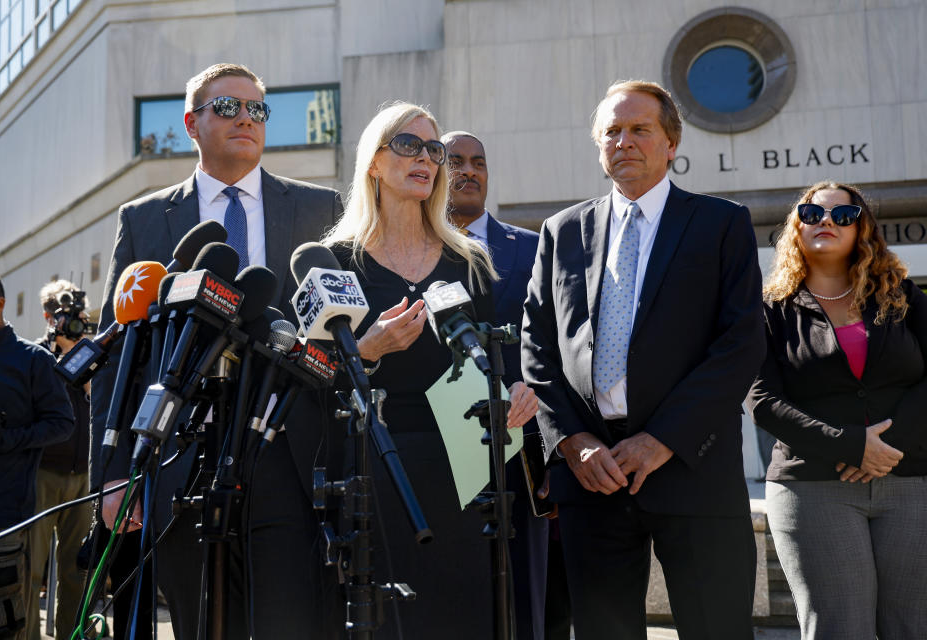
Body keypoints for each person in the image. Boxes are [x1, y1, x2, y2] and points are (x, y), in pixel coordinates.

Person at [91, 63, 343, 639]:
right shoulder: (145, 220)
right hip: (180, 461)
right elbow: (117, 358)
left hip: (287, 455)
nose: (247, 119)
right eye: (228, 107)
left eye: (258, 108)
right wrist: (110, 477)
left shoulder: (319, 211)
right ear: (191, 123)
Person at [520, 80, 765, 640]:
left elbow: (741, 343)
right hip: (592, 473)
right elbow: (535, 344)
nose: (623, 141)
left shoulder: (720, 225)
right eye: (611, 131)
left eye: (639, 129)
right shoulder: (562, 232)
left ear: (671, 143)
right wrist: (570, 441)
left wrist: (661, 440)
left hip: (691, 468)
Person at [323, 102, 538, 639]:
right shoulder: (334, 261)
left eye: (433, 149)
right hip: (373, 467)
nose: (426, 158)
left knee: (462, 614)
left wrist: (516, 391)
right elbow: (307, 375)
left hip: (464, 469)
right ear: (373, 161)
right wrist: (367, 350)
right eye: (408, 145)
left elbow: (499, 366)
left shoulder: (468, 260)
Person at [746, 181, 927, 640]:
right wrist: (850, 445)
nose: (825, 221)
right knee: (839, 631)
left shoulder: (902, 297)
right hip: (813, 489)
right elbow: (762, 402)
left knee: (913, 627)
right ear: (796, 228)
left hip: (911, 482)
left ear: (861, 229)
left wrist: (887, 445)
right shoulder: (769, 312)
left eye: (842, 215)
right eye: (812, 214)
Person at [441, 130, 548, 640]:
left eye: (478, 161)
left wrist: (535, 393)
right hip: (438, 447)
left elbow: (559, 342)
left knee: (524, 596)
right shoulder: (409, 252)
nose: (468, 171)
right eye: (454, 160)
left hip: (521, 446)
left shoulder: (532, 248)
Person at [0, 265, 74, 640]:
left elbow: (62, 424)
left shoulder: (32, 360)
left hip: (3, 520)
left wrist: (2, 439)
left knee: (1, 627)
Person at [26, 281, 93, 640]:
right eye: (69, 318)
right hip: (42, 474)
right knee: (31, 568)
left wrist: (82, 364)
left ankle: (72, 633)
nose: (77, 326)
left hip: (81, 475)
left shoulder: (91, 356)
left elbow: (97, 402)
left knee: (76, 569)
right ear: (49, 317)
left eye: (80, 318)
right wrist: (60, 357)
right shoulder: (36, 355)